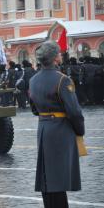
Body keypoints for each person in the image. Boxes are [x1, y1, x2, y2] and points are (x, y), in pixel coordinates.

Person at [29, 41, 85, 208]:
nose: (61, 55)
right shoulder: (63, 80)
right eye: (59, 53)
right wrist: (79, 130)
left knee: (47, 176)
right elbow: (74, 111)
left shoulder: (33, 80)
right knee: (59, 177)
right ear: (55, 59)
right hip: (60, 129)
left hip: (43, 128)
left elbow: (34, 109)